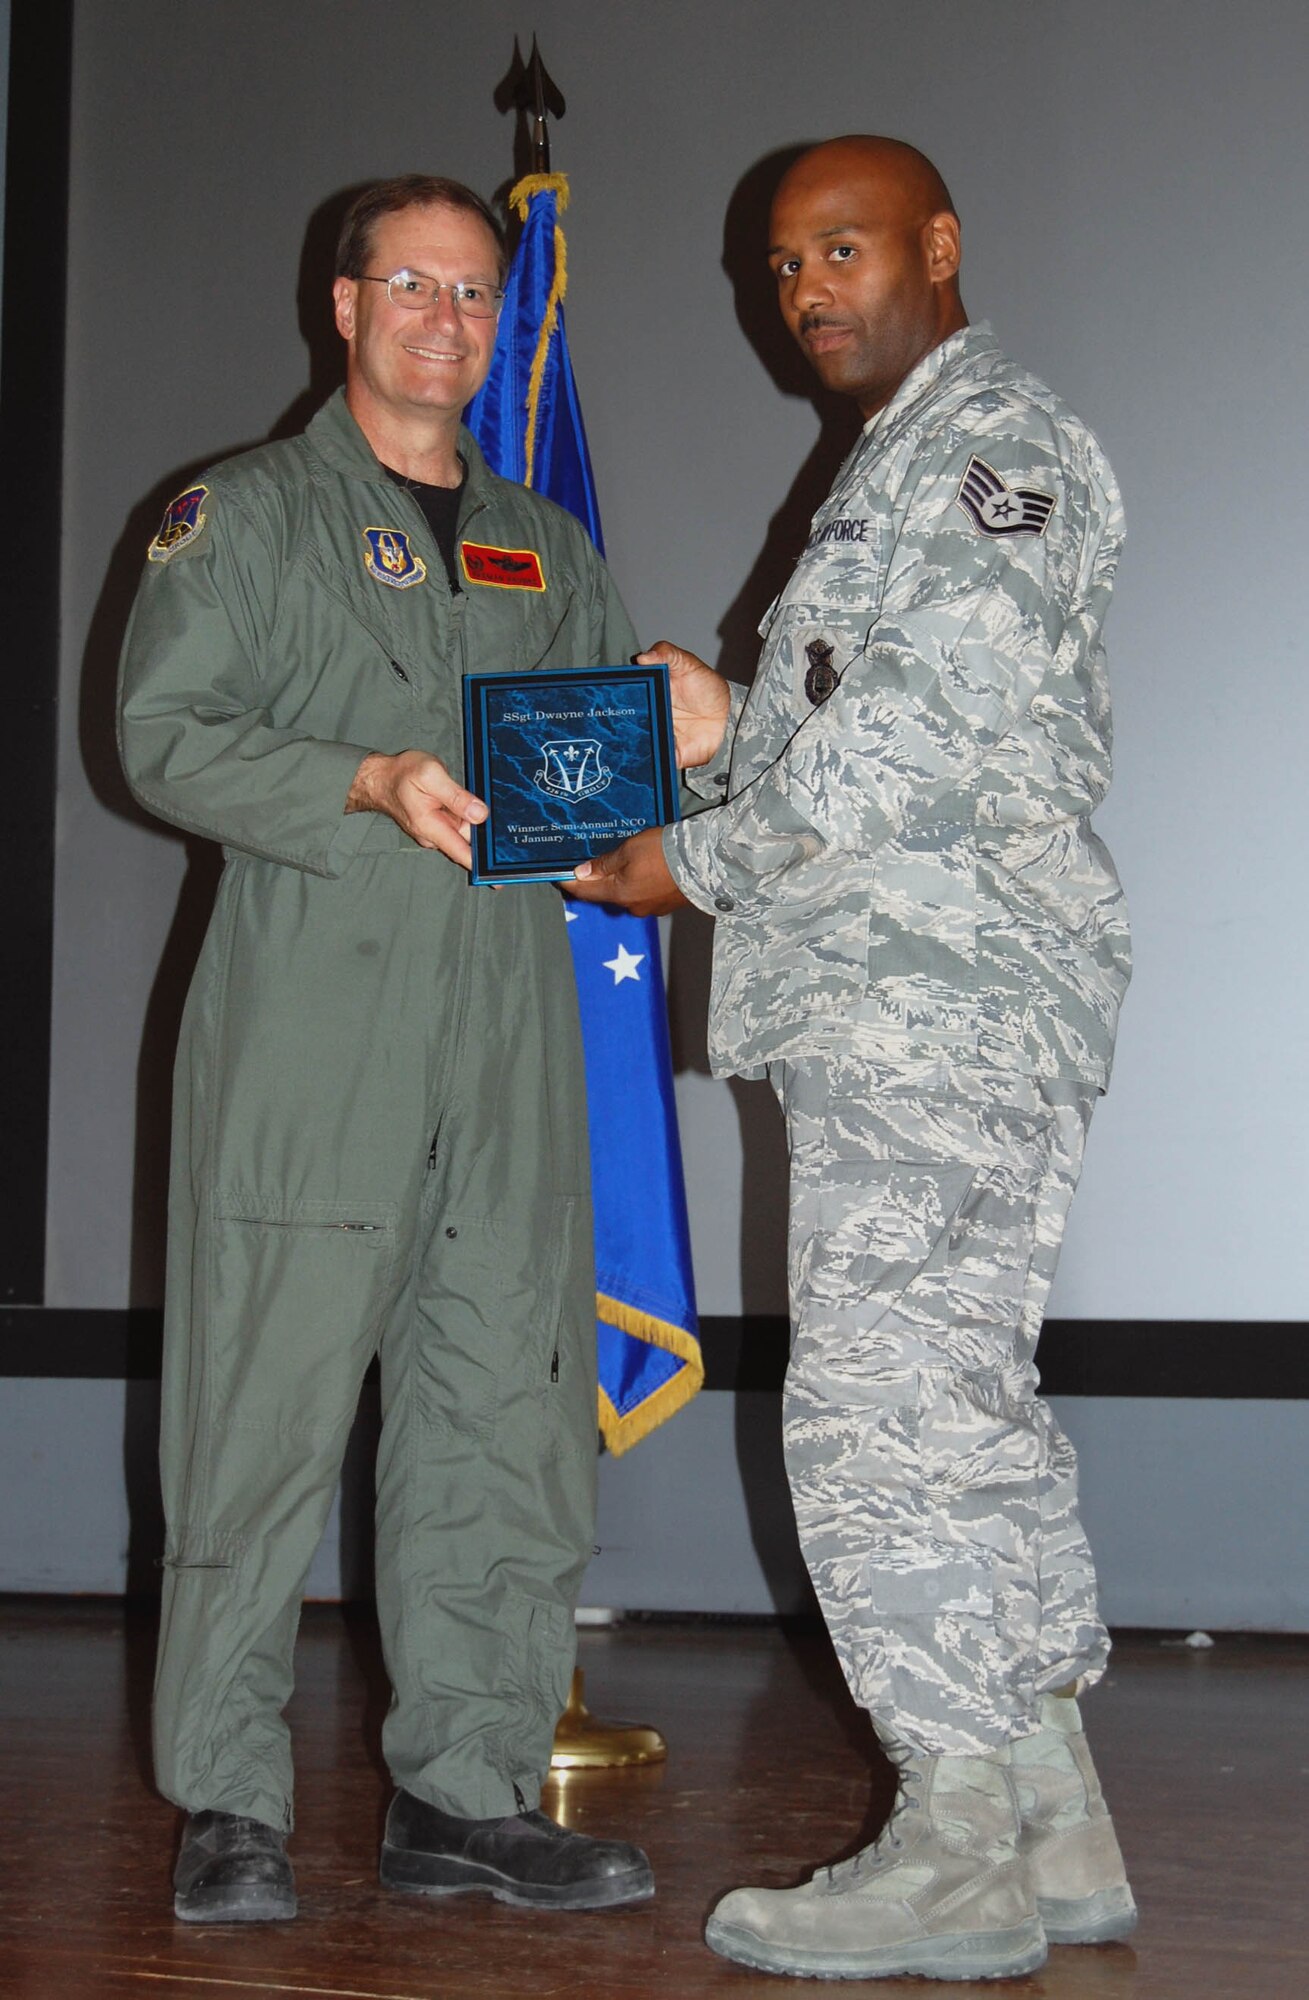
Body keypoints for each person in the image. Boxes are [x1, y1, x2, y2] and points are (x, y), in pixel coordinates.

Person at [568, 135, 1134, 1982]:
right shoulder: (897, 461)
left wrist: (685, 861)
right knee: (957, 1409)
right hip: (929, 994)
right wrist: (726, 727)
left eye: (841, 248)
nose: (804, 289)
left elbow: (912, 754)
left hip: (934, 1005)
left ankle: (951, 1849)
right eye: (780, 264)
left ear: (937, 246)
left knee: (879, 1417)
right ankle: (1045, 1827)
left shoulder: (989, 449)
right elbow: (873, 733)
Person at [118, 175, 653, 1925]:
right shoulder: (244, 515)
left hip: (506, 1044)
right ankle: (229, 1800)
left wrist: (661, 769)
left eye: (476, 293)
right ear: (341, 305)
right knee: (257, 1421)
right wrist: (360, 777)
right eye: (411, 284)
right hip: (310, 1038)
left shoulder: (543, 545)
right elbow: (162, 737)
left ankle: (466, 1792)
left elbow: (600, 795)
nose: (447, 318)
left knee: (497, 1413)